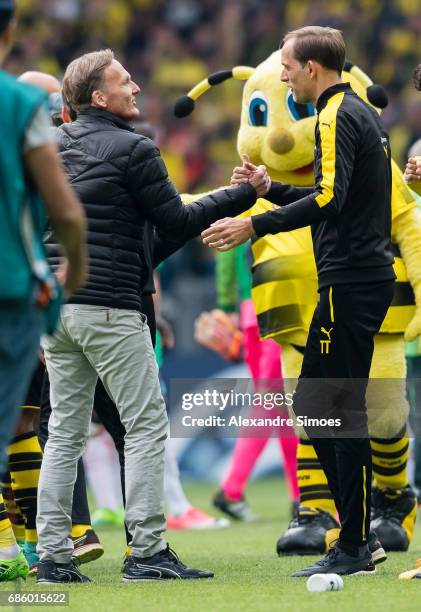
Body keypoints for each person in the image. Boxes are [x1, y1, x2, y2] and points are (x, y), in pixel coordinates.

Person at [36, 48, 265, 584]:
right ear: (99, 97)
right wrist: (241, 196)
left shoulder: (50, 147)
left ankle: (52, 558)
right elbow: (176, 220)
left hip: (57, 310)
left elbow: (134, 234)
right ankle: (147, 552)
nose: (136, 87)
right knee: (144, 425)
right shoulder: (134, 148)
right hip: (112, 307)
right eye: (125, 81)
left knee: (65, 432)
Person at [203, 26, 395, 577]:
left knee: (328, 406)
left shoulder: (335, 116)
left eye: (287, 65)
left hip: (351, 279)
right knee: (318, 404)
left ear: (313, 68)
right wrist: (270, 187)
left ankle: (357, 543)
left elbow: (331, 201)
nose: (282, 74)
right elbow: (332, 194)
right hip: (360, 276)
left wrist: (254, 224)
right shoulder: (360, 113)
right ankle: (358, 536)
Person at [0, 0, 86, 582]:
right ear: (9, 30)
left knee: (24, 425)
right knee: (16, 423)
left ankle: (19, 544)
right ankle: (19, 545)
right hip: (13, 291)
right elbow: (65, 212)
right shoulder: (20, 106)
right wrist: (70, 274)